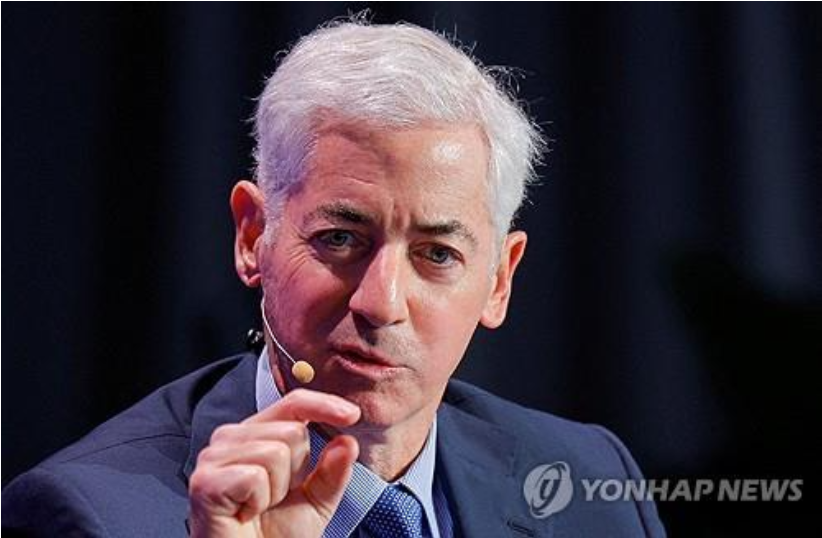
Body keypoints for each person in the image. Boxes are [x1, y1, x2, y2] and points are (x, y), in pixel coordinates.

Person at [1, 18, 665, 537]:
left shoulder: (592, 484)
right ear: (253, 237)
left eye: (437, 254)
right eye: (340, 239)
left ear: (499, 280)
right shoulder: (88, 515)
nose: (382, 302)